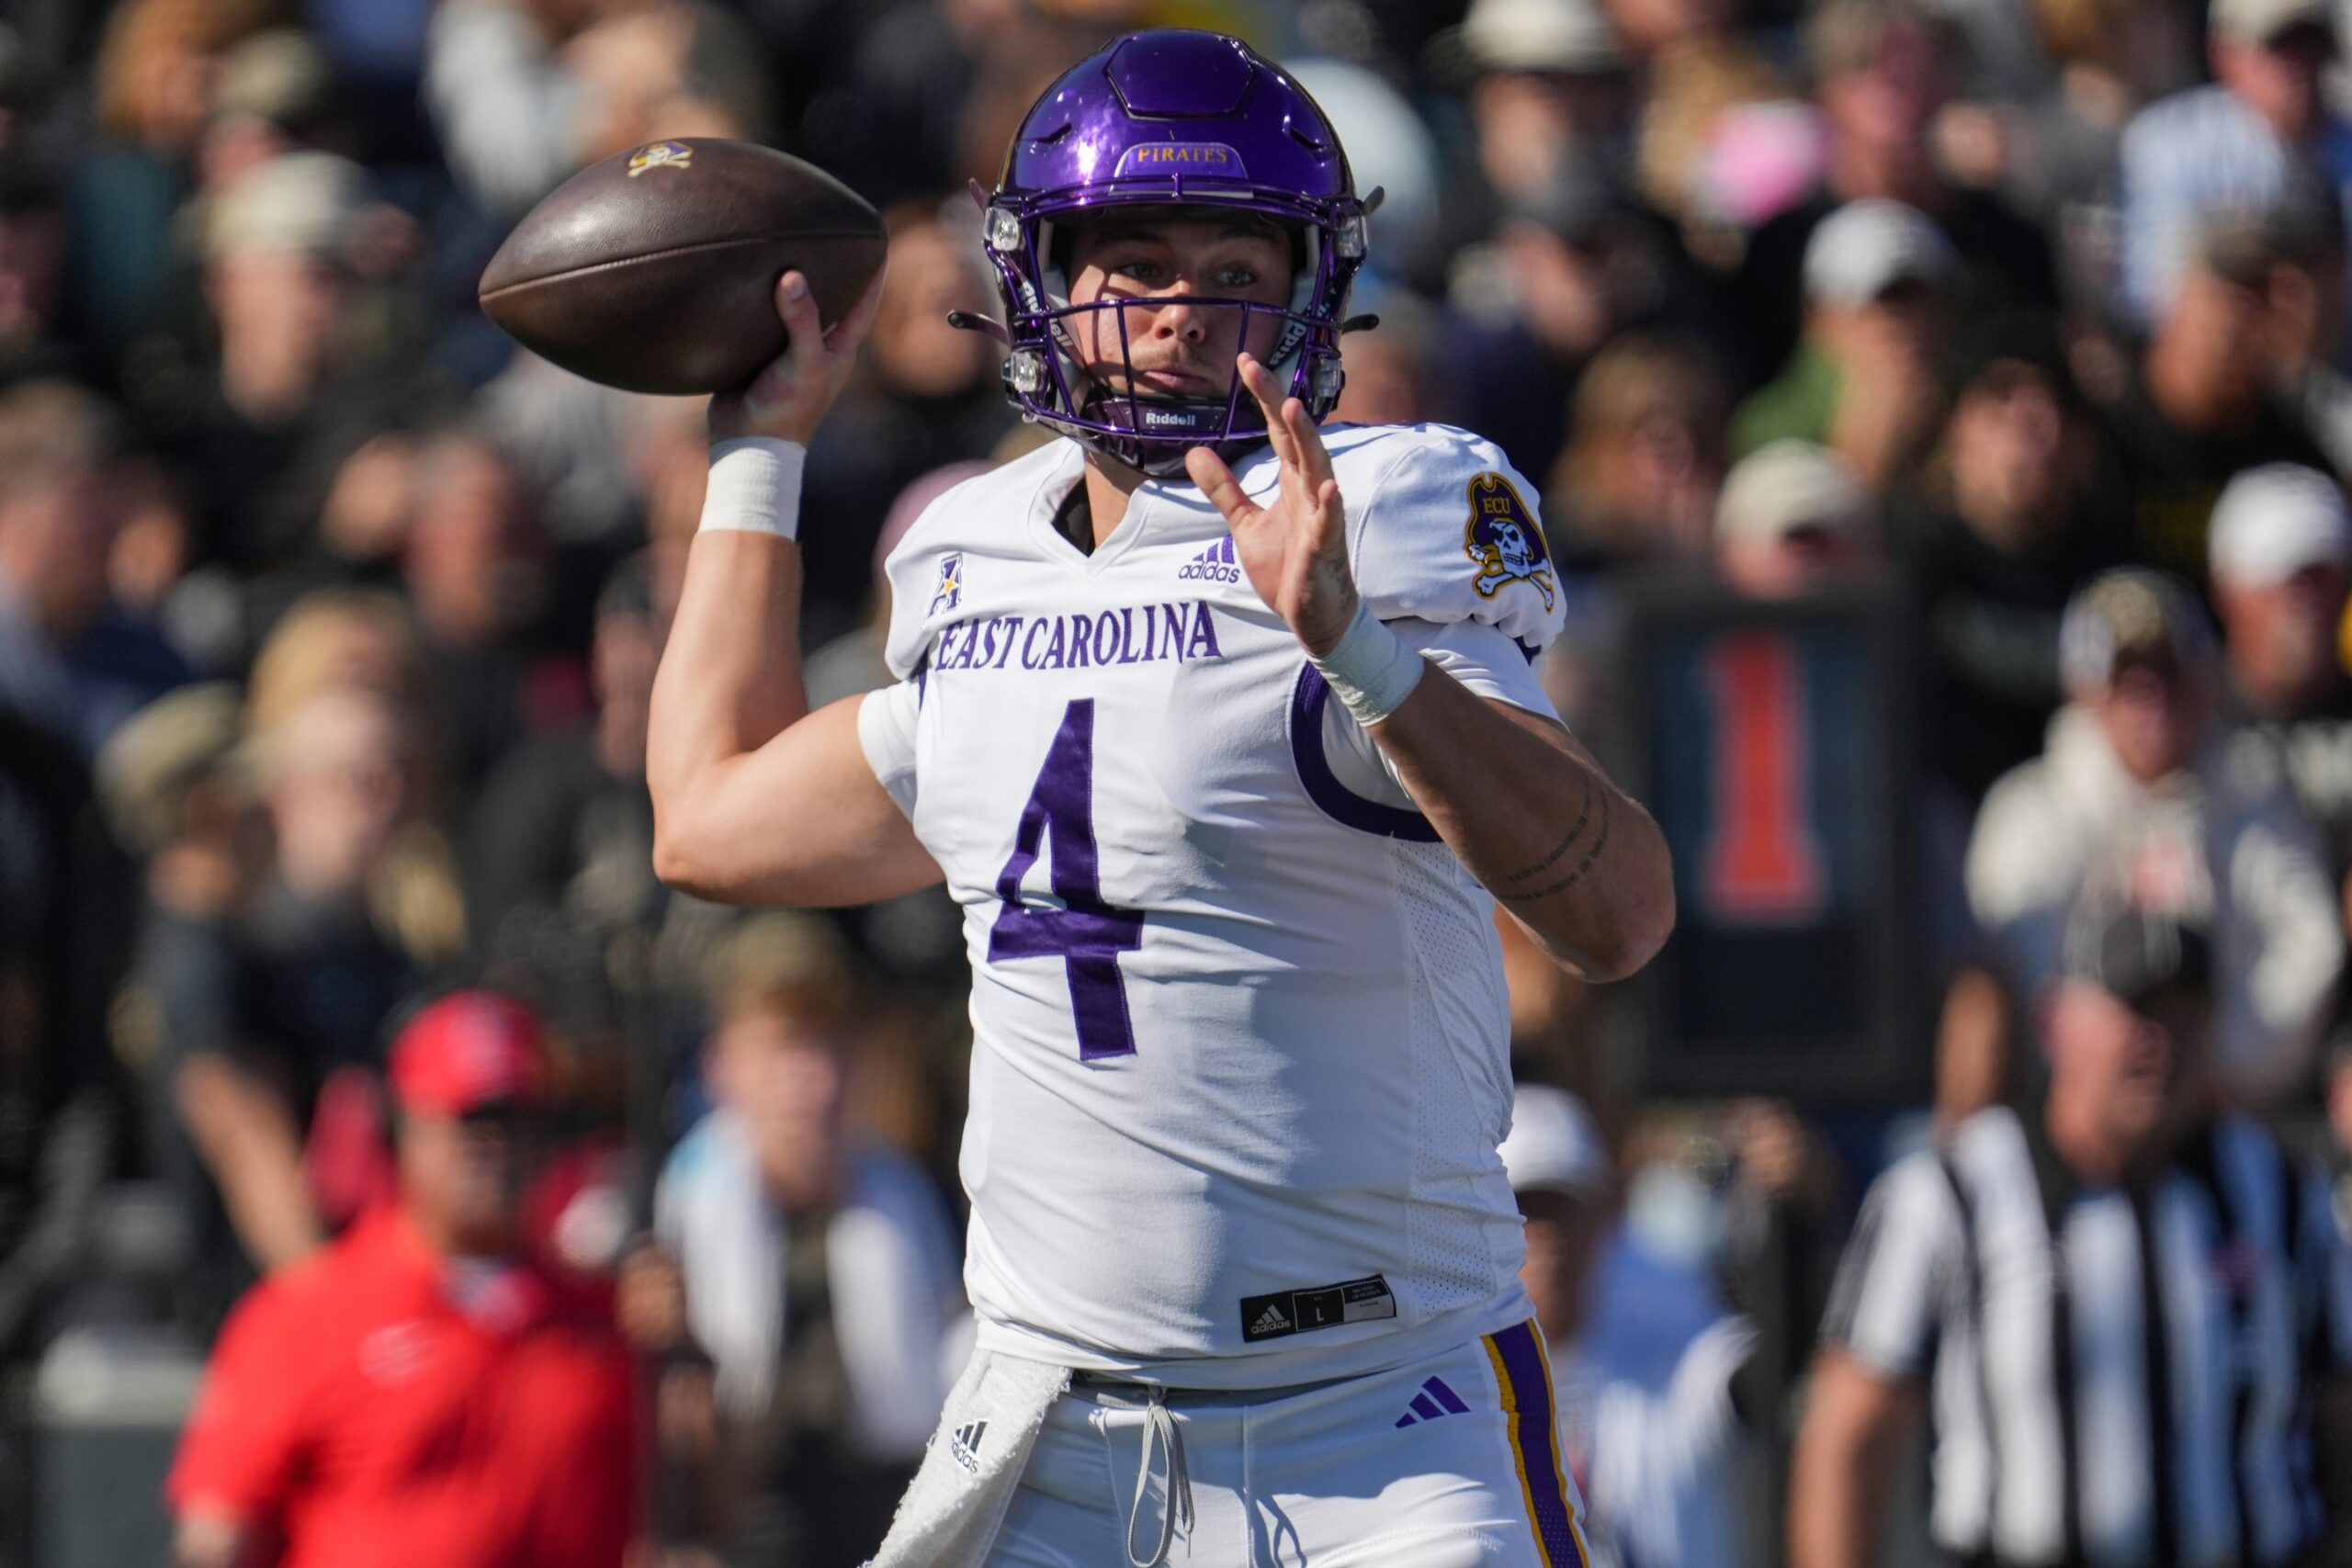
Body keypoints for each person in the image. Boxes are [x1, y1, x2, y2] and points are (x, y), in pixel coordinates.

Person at [646, 28, 1675, 1568]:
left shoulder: (1382, 519)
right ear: (1043, 284)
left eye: (1234, 264)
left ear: (1312, 287)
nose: (1187, 309)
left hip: (1379, 1417)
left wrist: (1360, 648)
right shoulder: (974, 553)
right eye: (1136, 261)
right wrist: (758, 456)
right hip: (1058, 1419)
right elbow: (707, 818)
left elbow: (1623, 911)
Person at [1788, 904, 2352, 1568]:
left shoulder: (2281, 1194)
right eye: (2136, 1009)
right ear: (2054, 1022)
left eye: (2184, 1011)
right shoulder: (1951, 1195)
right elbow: (1849, 1435)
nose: (2160, 1039)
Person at [166, 989, 637, 1568]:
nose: (496, 1148)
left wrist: (684, 1358)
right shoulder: (308, 1314)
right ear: (406, 1127)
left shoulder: (603, 1315)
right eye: (470, 1123)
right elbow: (218, 1536)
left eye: (515, 1121)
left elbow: (700, 1503)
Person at [628, 914, 967, 1568]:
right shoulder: (675, 1210)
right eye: (783, 1049)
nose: (809, 1085)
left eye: (826, 1047)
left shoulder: (909, 1200)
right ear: (723, 1065)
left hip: (882, 1521)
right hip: (734, 1524)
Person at [1965, 569, 2344, 1105]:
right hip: (2077, 1109)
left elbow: (2309, 944)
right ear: (2084, 693)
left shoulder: (2255, 792)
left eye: (2169, 671)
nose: (2152, 697)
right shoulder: (2031, 812)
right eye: (2126, 678)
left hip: (2236, 1101)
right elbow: (2026, 973)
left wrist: (2214, 1061)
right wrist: (2122, 1070)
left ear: (2204, 678)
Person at [1500, 1084, 1756, 1568]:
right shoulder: (1451, 1367)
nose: (1550, 1236)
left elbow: (1739, 1376)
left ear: (1602, 1219)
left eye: (1565, 1207)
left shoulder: (1678, 1330)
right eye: (1525, 1207)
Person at [2115, 0, 2352, 327]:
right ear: (2224, 54)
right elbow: (2149, 293)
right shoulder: (2170, 142)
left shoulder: (2346, 143)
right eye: (2277, 45)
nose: (2296, 66)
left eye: (2309, 44)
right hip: (2224, 350)